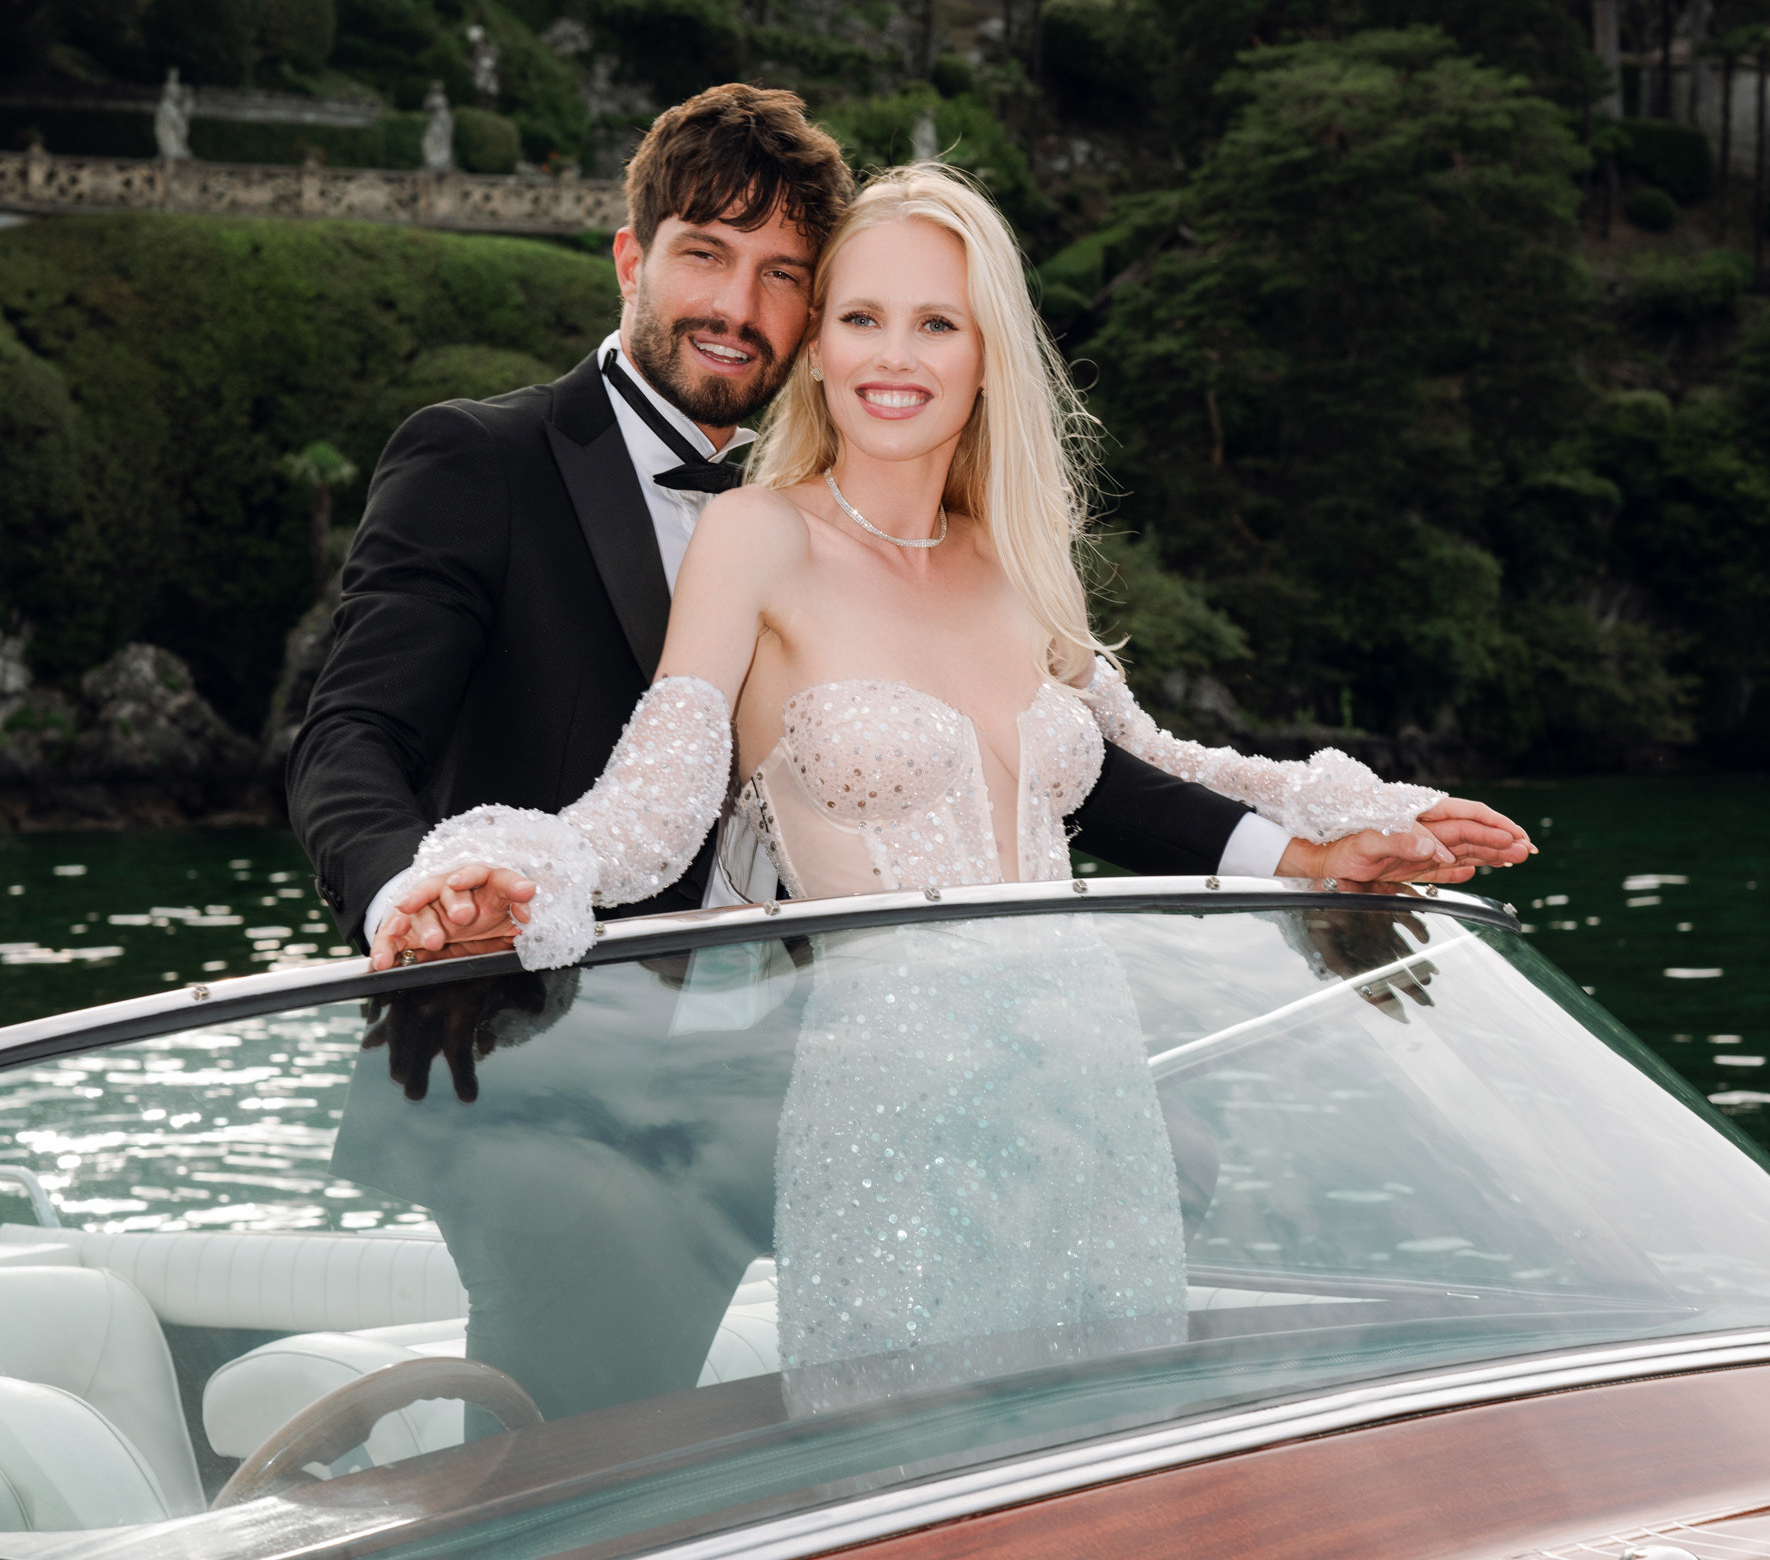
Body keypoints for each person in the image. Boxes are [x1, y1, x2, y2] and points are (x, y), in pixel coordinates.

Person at [372, 163, 1532, 1410]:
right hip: (888, 1115)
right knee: (910, 1469)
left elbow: (1149, 768)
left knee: (1102, 1457)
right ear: (817, 347)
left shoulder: (1019, 561)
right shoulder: (757, 536)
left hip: (1090, 1096)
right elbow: (652, 807)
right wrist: (510, 872)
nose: (894, 355)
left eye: (936, 322)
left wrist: (1329, 838)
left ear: (987, 355)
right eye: (860, 317)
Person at [291, 82, 1414, 965]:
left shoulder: (853, 519)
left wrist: (1306, 854)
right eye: (705, 255)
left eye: (781, 274)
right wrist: (418, 897)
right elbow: (353, 737)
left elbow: (1081, 776)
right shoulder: (477, 460)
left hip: (775, 1055)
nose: (738, 306)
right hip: (526, 1047)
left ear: (810, 316)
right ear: (631, 259)